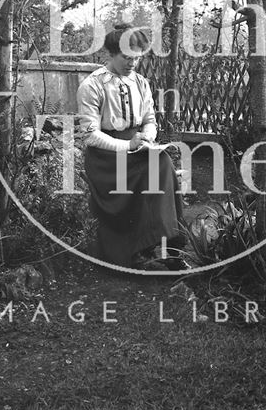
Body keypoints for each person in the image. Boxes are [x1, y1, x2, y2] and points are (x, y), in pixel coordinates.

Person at [77, 23, 186, 269]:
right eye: (126, 58)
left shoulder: (140, 83)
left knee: (162, 164)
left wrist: (146, 138)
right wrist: (127, 145)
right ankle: (136, 251)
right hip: (105, 157)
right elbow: (90, 135)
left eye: (136, 58)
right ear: (112, 54)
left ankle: (167, 247)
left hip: (137, 148)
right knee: (150, 172)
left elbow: (150, 120)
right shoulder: (93, 85)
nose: (132, 64)